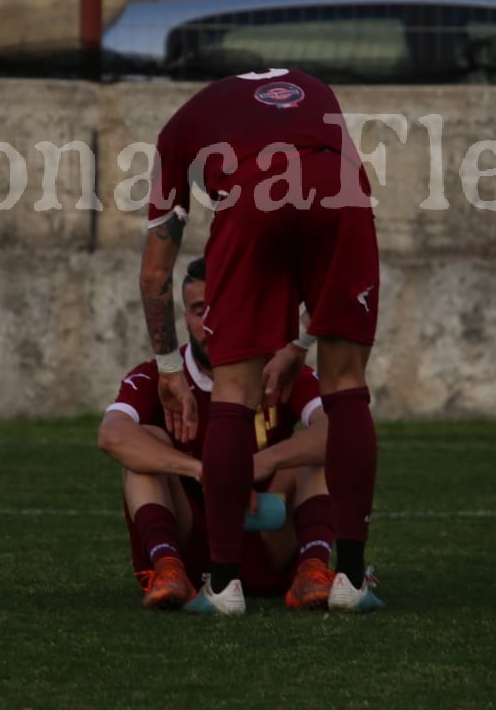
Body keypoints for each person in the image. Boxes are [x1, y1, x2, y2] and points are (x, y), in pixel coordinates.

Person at [137, 68, 384, 615]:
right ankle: (350, 579)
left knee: (233, 390)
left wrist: (166, 365)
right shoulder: (315, 87)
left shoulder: (178, 132)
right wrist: (299, 344)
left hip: (250, 197)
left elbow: (156, 274)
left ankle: (223, 586)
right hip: (341, 191)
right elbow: (315, 202)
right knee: (347, 383)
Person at [99, 258, 336, 611]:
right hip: (193, 543)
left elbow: (340, 430)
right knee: (146, 440)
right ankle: (167, 568)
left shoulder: (280, 370)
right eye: (199, 311)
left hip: (265, 537)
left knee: (316, 447)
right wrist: (208, 471)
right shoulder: (161, 376)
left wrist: (256, 464)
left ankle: (312, 569)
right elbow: (112, 436)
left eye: (224, 307)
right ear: (185, 319)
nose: (213, 323)